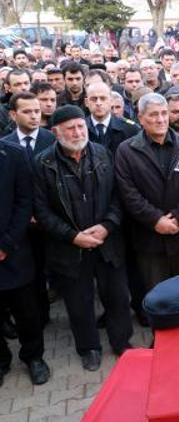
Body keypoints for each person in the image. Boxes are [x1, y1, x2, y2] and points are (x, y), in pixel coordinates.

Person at [33, 105, 132, 371]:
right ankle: (88, 348)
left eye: (80, 126)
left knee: (118, 298)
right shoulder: (42, 163)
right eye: (70, 128)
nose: (77, 132)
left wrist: (107, 226)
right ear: (56, 132)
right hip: (70, 248)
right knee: (79, 303)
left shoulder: (102, 153)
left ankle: (122, 343)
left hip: (106, 242)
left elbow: (117, 196)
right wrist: (73, 236)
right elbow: (41, 211)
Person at [115, 93, 179, 292]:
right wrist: (156, 220)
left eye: (164, 113)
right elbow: (129, 193)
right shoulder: (126, 151)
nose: (160, 119)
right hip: (149, 239)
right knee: (158, 296)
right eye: (154, 115)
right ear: (141, 118)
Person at [0, 137, 49, 386]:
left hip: (13, 249)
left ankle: (33, 357)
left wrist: (6, 244)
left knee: (27, 311)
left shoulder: (14, 155)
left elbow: (24, 202)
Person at [85, 82, 139, 156]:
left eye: (103, 98)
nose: (98, 103)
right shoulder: (80, 130)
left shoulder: (130, 129)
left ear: (110, 101)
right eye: (93, 99)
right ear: (87, 102)